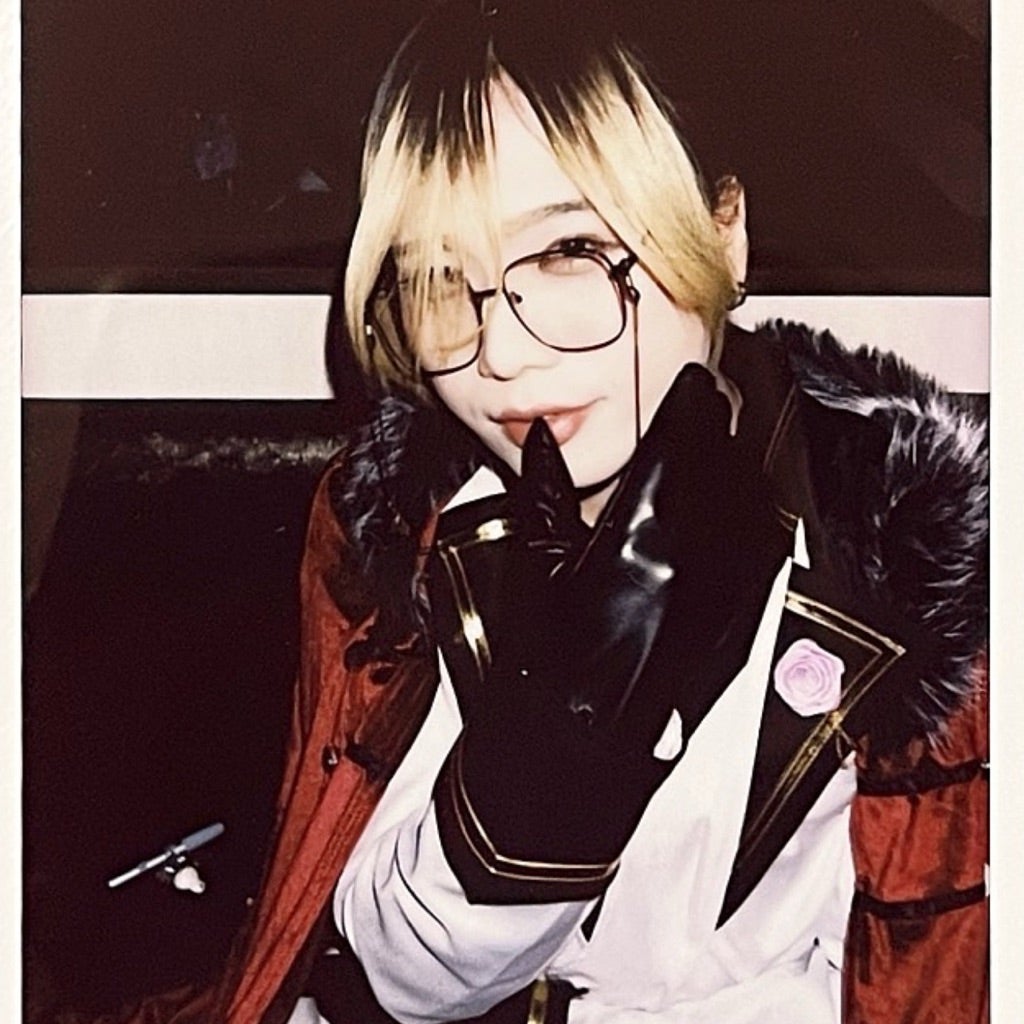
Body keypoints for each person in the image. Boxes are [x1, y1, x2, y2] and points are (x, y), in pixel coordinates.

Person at [49, 3, 988, 1023]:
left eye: (568, 250)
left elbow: (910, 982)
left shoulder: (914, 578)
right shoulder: (407, 527)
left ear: (724, 235)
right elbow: (379, 966)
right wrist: (544, 781)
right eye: (438, 278)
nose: (496, 352)